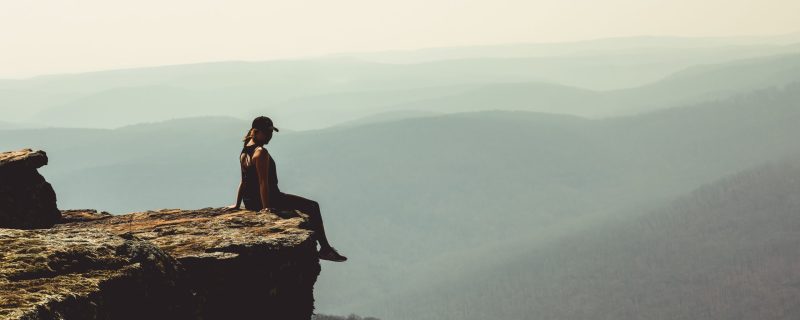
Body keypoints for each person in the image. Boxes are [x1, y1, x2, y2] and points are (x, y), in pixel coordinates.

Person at [225, 116, 347, 262]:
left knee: (306, 207)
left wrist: (238, 204)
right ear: (256, 132)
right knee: (313, 206)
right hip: (271, 198)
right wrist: (266, 208)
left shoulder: (245, 151)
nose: (270, 136)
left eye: (271, 132)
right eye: (266, 132)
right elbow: (263, 182)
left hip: (250, 202)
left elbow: (244, 181)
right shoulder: (260, 152)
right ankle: (325, 249)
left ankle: (326, 249)